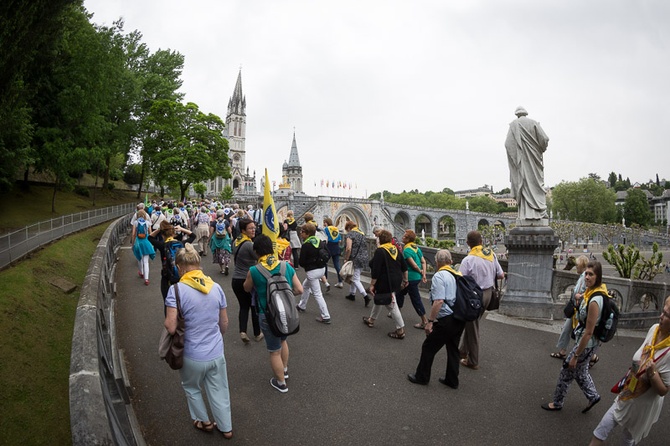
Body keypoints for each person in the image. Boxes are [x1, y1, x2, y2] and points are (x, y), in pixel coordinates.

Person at [164, 243, 233, 439]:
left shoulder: (176, 290)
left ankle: (204, 421)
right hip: (216, 351)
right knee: (219, 389)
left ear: (179, 267)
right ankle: (226, 427)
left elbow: (170, 326)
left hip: (191, 353)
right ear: (198, 264)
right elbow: (224, 323)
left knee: (192, 387)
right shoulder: (216, 287)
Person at [589, 295, 670, 445]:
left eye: (666, 315)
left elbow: (663, 390)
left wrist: (652, 373)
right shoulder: (654, 329)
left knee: (628, 436)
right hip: (629, 390)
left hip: (642, 403)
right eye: (663, 311)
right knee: (602, 428)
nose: (661, 316)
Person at [542, 261, 607, 413]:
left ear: (598, 277)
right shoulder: (594, 292)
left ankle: (557, 403)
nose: (587, 277)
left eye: (591, 274)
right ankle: (593, 395)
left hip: (586, 343)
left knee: (566, 371)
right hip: (590, 343)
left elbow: (589, 331)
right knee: (581, 371)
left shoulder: (595, 301)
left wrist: (576, 355)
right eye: (586, 273)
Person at [243, 235, 303, 393]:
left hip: (267, 314)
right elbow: (299, 289)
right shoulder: (286, 266)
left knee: (274, 350)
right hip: (286, 312)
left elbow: (246, 288)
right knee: (283, 341)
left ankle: (281, 383)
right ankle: (284, 370)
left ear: (256, 252)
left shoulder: (254, 270)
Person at [407, 249, 466, 388]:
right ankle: (452, 380)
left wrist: (430, 322)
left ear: (437, 262)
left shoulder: (440, 276)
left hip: (446, 318)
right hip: (459, 316)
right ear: (451, 262)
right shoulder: (457, 274)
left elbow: (439, 301)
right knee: (453, 349)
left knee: (429, 347)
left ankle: (422, 376)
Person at [458, 230, 504, 370]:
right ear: (481, 242)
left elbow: (460, 280)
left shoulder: (468, 259)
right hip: (488, 294)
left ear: (468, 243)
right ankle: (462, 351)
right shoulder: (491, 255)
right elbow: (501, 275)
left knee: (473, 328)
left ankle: (473, 360)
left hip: (474, 296)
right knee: (472, 323)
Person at [505, 106, 550, 221]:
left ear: (517, 114)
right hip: (534, 159)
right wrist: (539, 149)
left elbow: (508, 144)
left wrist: (516, 159)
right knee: (535, 183)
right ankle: (539, 211)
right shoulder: (534, 123)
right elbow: (544, 139)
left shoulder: (514, 125)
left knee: (524, 183)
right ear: (526, 113)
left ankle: (525, 214)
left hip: (522, 162)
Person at [362, 229, 407, 339]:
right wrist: (405, 280)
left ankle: (400, 330)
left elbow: (376, 270)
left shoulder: (380, 251)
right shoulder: (395, 249)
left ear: (380, 239)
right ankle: (371, 320)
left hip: (385, 281)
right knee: (381, 298)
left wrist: (372, 284)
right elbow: (404, 267)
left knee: (392, 304)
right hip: (396, 279)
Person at [551, 255, 589, 360]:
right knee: (567, 330)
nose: (576, 266)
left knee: (578, 333)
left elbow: (588, 292)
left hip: (579, 309)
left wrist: (579, 296)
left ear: (583, 266)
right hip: (575, 308)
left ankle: (589, 356)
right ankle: (563, 351)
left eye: (578, 265)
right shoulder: (582, 276)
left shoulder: (586, 277)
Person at [231, 218, 263, 343]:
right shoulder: (249, 245)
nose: (253, 230)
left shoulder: (236, 241)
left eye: (254, 227)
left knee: (243, 306)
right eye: (250, 228)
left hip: (236, 279)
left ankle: (243, 331)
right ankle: (257, 333)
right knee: (254, 306)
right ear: (243, 230)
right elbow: (259, 258)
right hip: (248, 279)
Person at [149, 220, 195, 302]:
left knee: (168, 301)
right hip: (182, 276)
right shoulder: (181, 244)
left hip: (167, 277)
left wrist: (159, 229)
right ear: (173, 233)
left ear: (162, 235)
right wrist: (181, 229)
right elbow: (193, 236)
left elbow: (150, 237)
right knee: (182, 301)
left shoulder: (163, 246)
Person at [296, 223, 332, 324]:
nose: (300, 233)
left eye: (302, 232)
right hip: (321, 270)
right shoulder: (320, 242)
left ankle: (326, 316)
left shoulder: (306, 245)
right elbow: (328, 254)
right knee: (305, 286)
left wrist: (309, 264)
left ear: (307, 234)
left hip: (312, 272)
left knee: (317, 294)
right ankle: (301, 305)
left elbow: (301, 262)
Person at [396, 230, 429, 329]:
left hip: (410, 278)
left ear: (408, 239)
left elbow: (413, 265)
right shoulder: (416, 247)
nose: (402, 238)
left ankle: (424, 321)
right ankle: (396, 312)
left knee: (415, 299)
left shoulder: (406, 250)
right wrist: (423, 273)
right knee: (400, 293)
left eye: (405, 237)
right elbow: (423, 261)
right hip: (416, 277)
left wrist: (420, 271)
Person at [342, 220, 370, 306]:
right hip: (364, 257)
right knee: (354, 276)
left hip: (355, 258)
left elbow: (348, 248)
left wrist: (346, 258)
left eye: (347, 229)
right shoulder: (362, 233)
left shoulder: (351, 234)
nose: (347, 231)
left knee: (356, 278)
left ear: (349, 228)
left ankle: (365, 296)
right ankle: (352, 294)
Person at [131, 209, 156, 286]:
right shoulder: (148, 223)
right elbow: (150, 233)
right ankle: (146, 278)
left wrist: (133, 243)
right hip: (146, 242)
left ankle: (141, 272)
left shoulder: (135, 223)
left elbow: (133, 234)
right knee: (146, 261)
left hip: (138, 242)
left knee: (139, 258)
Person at [210, 210, 232, 275]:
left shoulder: (214, 222)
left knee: (218, 253)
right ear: (223, 215)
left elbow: (211, 231)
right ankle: (226, 265)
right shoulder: (226, 222)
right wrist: (230, 236)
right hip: (224, 239)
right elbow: (229, 230)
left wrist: (209, 238)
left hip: (216, 239)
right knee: (226, 252)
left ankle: (222, 269)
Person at [323, 217, 344, 288]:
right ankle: (340, 281)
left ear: (326, 223)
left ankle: (325, 279)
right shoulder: (336, 229)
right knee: (337, 266)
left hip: (328, 247)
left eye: (324, 222)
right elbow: (340, 240)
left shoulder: (326, 229)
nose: (324, 224)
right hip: (336, 247)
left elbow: (324, 239)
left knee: (324, 263)